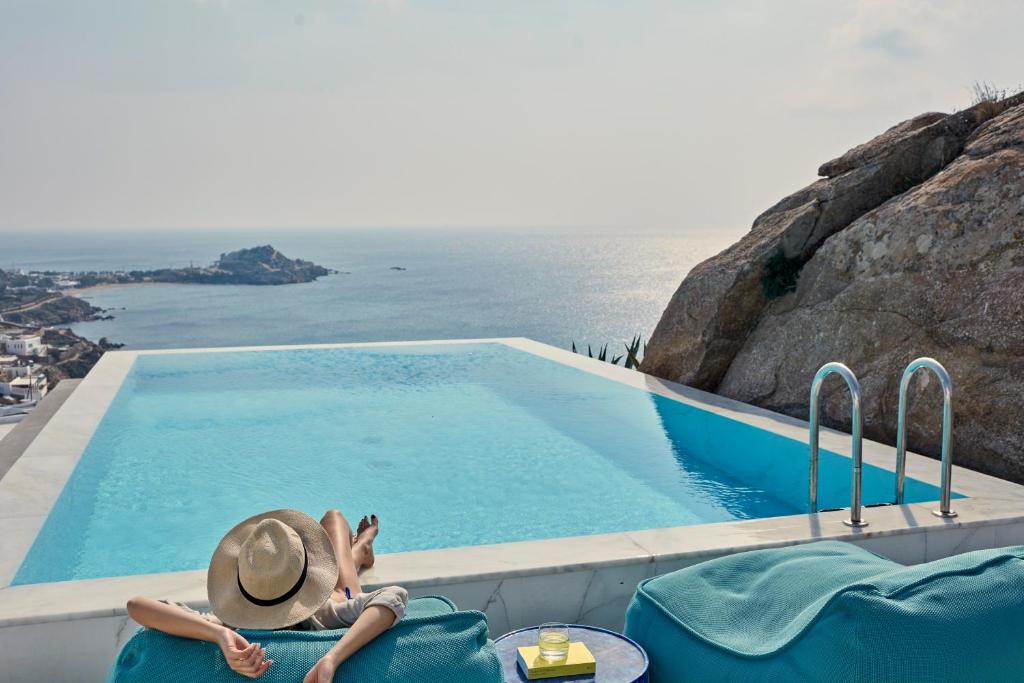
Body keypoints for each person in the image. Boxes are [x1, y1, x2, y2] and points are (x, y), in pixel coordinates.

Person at [126, 508, 408, 682]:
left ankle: (360, 550)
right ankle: (362, 547)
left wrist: (218, 634)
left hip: (333, 596)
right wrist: (333, 657)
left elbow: (138, 606)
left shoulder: (234, 626)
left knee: (335, 525)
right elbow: (393, 596)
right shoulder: (328, 615)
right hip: (341, 596)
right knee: (334, 519)